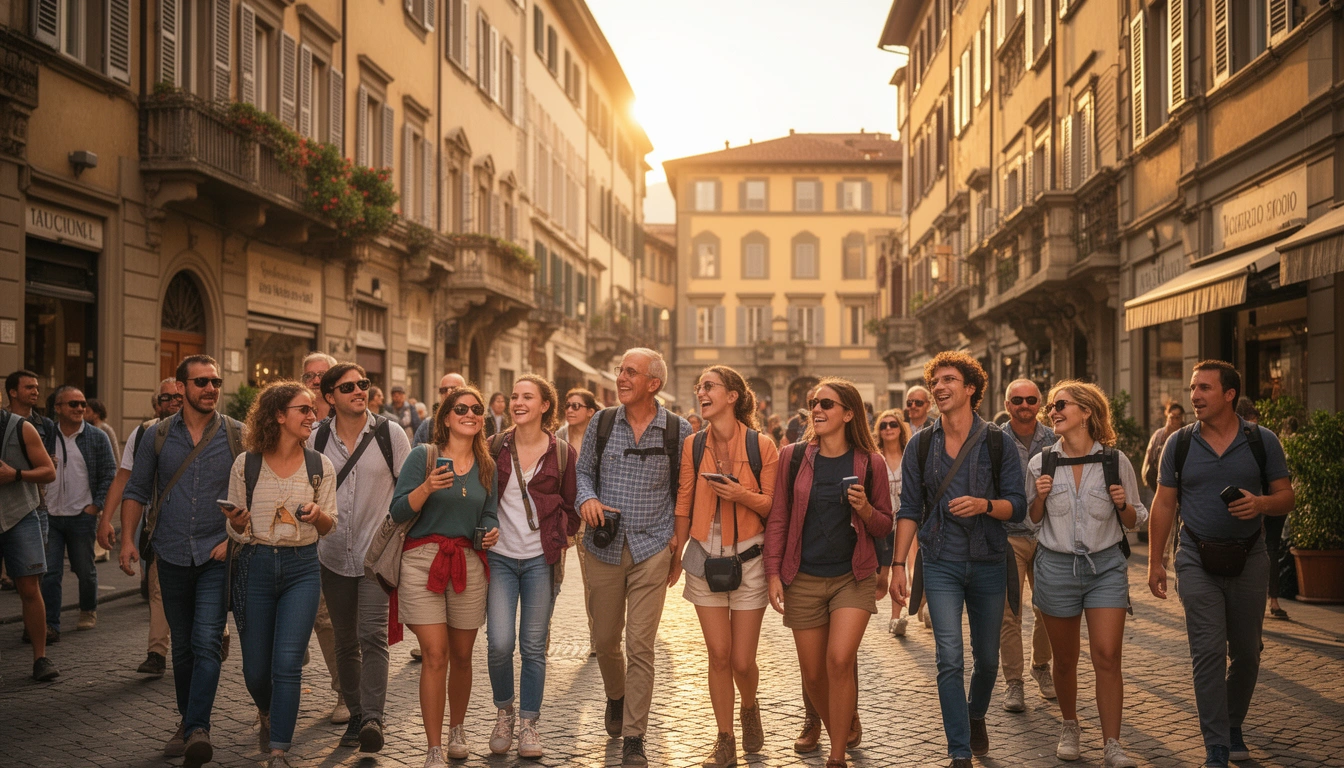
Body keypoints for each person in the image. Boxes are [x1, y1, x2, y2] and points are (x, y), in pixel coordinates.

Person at [1147, 361, 1294, 768]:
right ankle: (1216, 742)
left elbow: (1286, 496)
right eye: (1193, 387)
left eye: (1205, 388)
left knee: (1247, 653)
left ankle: (1232, 723)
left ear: (1229, 394)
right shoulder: (1178, 443)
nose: (1194, 395)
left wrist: (1261, 503)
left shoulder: (1262, 441)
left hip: (1250, 557)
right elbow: (1164, 502)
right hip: (1195, 556)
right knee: (1207, 650)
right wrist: (1155, 562)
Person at [890, 352, 1026, 768]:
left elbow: (1018, 506)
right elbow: (910, 507)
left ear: (970, 389)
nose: (939, 388)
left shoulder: (999, 442)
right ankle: (959, 751)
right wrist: (898, 565)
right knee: (949, 656)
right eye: (935, 382)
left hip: (988, 562)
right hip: (941, 561)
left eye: (948, 380)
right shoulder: (921, 444)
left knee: (986, 659)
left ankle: (976, 713)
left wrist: (986, 504)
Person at [121, 355, 244, 767]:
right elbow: (137, 490)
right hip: (170, 552)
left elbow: (256, 491)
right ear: (182, 387)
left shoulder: (236, 435)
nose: (211, 388)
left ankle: (197, 729)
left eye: (216, 381)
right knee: (184, 647)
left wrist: (236, 537)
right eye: (202, 381)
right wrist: (127, 541)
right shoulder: (156, 437)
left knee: (206, 640)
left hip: (216, 552)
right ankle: (188, 721)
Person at [764, 378, 893, 768]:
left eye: (827, 404)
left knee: (839, 661)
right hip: (801, 576)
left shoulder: (871, 462)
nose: (817, 410)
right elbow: (780, 516)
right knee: (814, 676)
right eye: (813, 403)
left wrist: (866, 510)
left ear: (849, 413)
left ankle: (836, 756)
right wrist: (773, 572)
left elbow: (885, 523)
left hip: (852, 577)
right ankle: (845, 716)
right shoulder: (792, 456)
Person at [575, 348, 692, 768]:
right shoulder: (601, 423)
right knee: (606, 641)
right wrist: (587, 498)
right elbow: (583, 471)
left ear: (653, 384)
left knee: (640, 644)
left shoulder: (678, 430)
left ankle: (634, 736)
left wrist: (678, 545)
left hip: (653, 548)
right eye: (620, 370)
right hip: (604, 546)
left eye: (630, 372)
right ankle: (616, 696)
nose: (620, 377)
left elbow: (685, 490)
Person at [1026, 380, 1146, 767]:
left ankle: (1113, 743)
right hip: (1056, 567)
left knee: (1108, 656)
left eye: (1061, 405)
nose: (1052, 412)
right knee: (1064, 660)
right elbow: (1031, 522)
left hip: (1105, 567)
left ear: (1086, 412)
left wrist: (1123, 503)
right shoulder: (1041, 462)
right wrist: (1040, 497)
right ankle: (1070, 723)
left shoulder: (1115, 461)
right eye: (1052, 407)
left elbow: (1135, 520)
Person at [223, 382, 337, 768]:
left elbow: (329, 525)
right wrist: (238, 523)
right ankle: (267, 711)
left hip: (302, 568)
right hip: (255, 566)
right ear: (278, 415)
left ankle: (278, 750)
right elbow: (234, 530)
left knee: (287, 662)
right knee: (256, 670)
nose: (312, 416)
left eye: (312, 409)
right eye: (303, 409)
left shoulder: (320, 465)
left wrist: (318, 516)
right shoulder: (246, 464)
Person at [672, 366, 779, 767]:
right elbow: (684, 501)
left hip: (749, 560)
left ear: (732, 395)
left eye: (710, 386)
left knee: (741, 661)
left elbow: (772, 505)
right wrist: (676, 554)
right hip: (703, 558)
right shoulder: (693, 445)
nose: (702, 391)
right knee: (718, 654)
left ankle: (749, 706)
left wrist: (741, 494)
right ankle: (725, 738)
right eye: (699, 386)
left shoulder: (761, 445)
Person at [390, 385, 500, 765]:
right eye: (460, 409)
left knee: (463, 655)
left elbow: (490, 512)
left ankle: (457, 729)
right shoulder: (424, 456)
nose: (469, 414)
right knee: (435, 655)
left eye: (476, 408)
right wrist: (426, 487)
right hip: (422, 560)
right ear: (446, 418)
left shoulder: (488, 465)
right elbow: (399, 510)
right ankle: (433, 747)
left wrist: (490, 530)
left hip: (468, 562)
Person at [313, 363, 412, 753]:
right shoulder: (318, 437)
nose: (359, 391)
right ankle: (355, 712)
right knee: (343, 639)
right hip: (332, 553)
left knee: (372, 635)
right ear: (330, 397)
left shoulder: (390, 433)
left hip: (376, 554)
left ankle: (372, 718)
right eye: (348, 386)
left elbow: (406, 491)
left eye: (364, 384)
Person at [486, 375, 579, 759]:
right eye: (514, 397)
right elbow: (478, 496)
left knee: (533, 647)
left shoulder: (561, 453)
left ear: (545, 406)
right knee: (499, 643)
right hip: (500, 559)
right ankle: (504, 712)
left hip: (541, 560)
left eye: (528, 397)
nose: (518, 402)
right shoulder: (493, 447)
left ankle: (528, 725)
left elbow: (573, 506)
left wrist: (560, 537)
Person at [98, 378, 185, 677]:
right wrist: (106, 520)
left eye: (178, 396)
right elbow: (124, 479)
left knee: (203, 591)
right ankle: (156, 653)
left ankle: (216, 634)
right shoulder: (145, 433)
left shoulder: (216, 430)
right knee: (158, 589)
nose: (173, 402)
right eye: (166, 398)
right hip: (159, 526)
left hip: (204, 527)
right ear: (156, 403)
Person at [998, 379, 1057, 713]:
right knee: (1010, 613)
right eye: (1017, 399)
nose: (1024, 404)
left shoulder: (1055, 438)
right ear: (1007, 404)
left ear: (1040, 403)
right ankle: (1014, 683)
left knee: (1049, 609)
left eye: (1031, 399)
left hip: (1048, 534)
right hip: (1008, 535)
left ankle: (1040, 665)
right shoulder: (995, 439)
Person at [41, 386, 115, 634]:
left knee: (85, 569)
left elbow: (109, 474)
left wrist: (96, 507)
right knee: (50, 573)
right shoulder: (45, 434)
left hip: (82, 515)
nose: (80, 408)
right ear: (58, 407)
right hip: (50, 514)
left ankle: (87, 608)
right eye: (73, 404)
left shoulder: (97, 437)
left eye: (82, 404)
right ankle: (50, 623)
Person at [0, 370, 59, 680]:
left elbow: (49, 471)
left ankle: (41, 658)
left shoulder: (21, 428)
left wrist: (16, 475)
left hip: (21, 514)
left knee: (28, 587)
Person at [298, 351, 346, 723]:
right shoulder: (296, 424)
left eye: (322, 374)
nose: (316, 380)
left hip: (340, 538)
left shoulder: (354, 424)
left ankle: (344, 693)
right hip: (297, 536)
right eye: (309, 375)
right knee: (299, 616)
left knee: (330, 622)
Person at [1234, 397, 1289, 621]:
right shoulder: (1235, 442)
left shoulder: (1265, 439)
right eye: (1250, 420)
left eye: (1256, 420)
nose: (1254, 425)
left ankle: (1273, 600)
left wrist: (1264, 502)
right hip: (1249, 508)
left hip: (1270, 504)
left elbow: (1284, 487)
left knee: (1272, 549)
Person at [555, 387, 599, 655]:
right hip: (560, 521)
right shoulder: (557, 438)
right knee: (550, 584)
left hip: (588, 523)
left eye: (576, 406)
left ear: (590, 411)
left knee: (593, 586)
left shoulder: (599, 440)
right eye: (567, 405)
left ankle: (598, 640)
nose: (570, 410)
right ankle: (541, 642)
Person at [872, 409, 912, 636]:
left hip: (907, 522)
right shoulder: (874, 458)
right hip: (883, 525)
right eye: (884, 425)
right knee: (881, 577)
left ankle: (896, 618)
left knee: (904, 571)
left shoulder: (910, 456)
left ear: (900, 429)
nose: (888, 428)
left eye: (893, 425)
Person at [1141, 402, 1184, 494]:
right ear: (1167, 416)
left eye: (1178, 418)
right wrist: (1146, 475)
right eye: (1172, 417)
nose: (1175, 421)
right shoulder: (1158, 435)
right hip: (1160, 478)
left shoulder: (1185, 434)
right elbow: (1149, 456)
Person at [413, 374, 468, 446]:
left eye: (455, 389)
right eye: (443, 390)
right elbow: (417, 455)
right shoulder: (428, 426)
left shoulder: (475, 420)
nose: (448, 392)